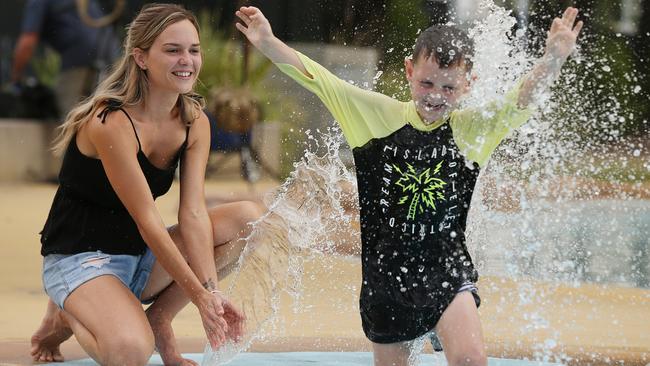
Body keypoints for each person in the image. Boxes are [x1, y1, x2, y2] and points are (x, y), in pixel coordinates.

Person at [236, 5, 582, 366]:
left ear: (469, 84)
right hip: (384, 282)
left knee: (470, 359)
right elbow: (318, 78)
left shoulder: (472, 129)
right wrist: (268, 42)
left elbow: (521, 99)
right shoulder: (376, 116)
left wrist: (552, 61)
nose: (435, 95)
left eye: (449, 87)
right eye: (427, 82)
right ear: (409, 71)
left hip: (447, 272)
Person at [30, 4, 265, 365]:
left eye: (193, 50)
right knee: (130, 351)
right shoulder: (110, 122)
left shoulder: (193, 121)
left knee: (249, 219)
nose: (186, 60)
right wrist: (200, 300)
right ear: (141, 57)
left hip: (140, 258)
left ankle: (159, 317)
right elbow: (149, 220)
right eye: (172, 50)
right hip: (81, 258)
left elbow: (193, 214)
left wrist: (212, 292)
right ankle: (69, 313)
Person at [11, 0, 120, 118]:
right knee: (107, 117)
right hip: (113, 56)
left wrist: (16, 77)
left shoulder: (37, 2)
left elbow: (27, 43)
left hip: (79, 60)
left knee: (71, 118)